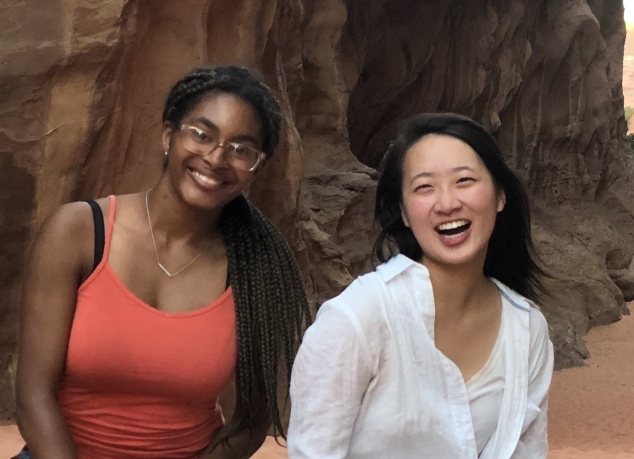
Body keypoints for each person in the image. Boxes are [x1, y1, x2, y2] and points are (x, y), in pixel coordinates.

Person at [15, 65, 311, 459]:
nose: (217, 157)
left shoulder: (255, 267)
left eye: (242, 149)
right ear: (168, 135)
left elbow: (251, 421)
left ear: (257, 166)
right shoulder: (78, 232)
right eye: (202, 135)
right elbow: (34, 395)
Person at [287, 113, 554, 458]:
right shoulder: (357, 319)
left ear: (500, 196)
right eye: (424, 187)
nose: (447, 203)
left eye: (464, 180)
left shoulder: (527, 329)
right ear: (404, 211)